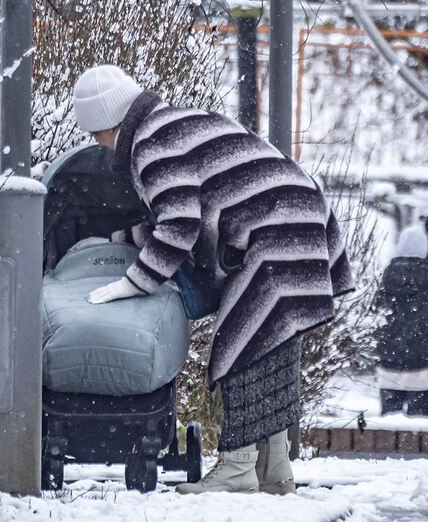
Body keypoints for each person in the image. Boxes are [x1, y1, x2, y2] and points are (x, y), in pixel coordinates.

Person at [71, 64, 354, 494]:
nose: (101, 146)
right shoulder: (172, 125)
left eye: (96, 135)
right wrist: (116, 240)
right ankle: (273, 468)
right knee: (268, 344)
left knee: (239, 344)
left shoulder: (152, 144)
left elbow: (180, 224)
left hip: (277, 231)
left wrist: (135, 281)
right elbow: (188, 213)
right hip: (298, 219)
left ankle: (238, 470)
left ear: (105, 123)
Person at [374, 227, 428, 416]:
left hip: (390, 361)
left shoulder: (387, 279)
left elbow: (374, 319)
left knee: (389, 425)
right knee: (418, 427)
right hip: (423, 365)